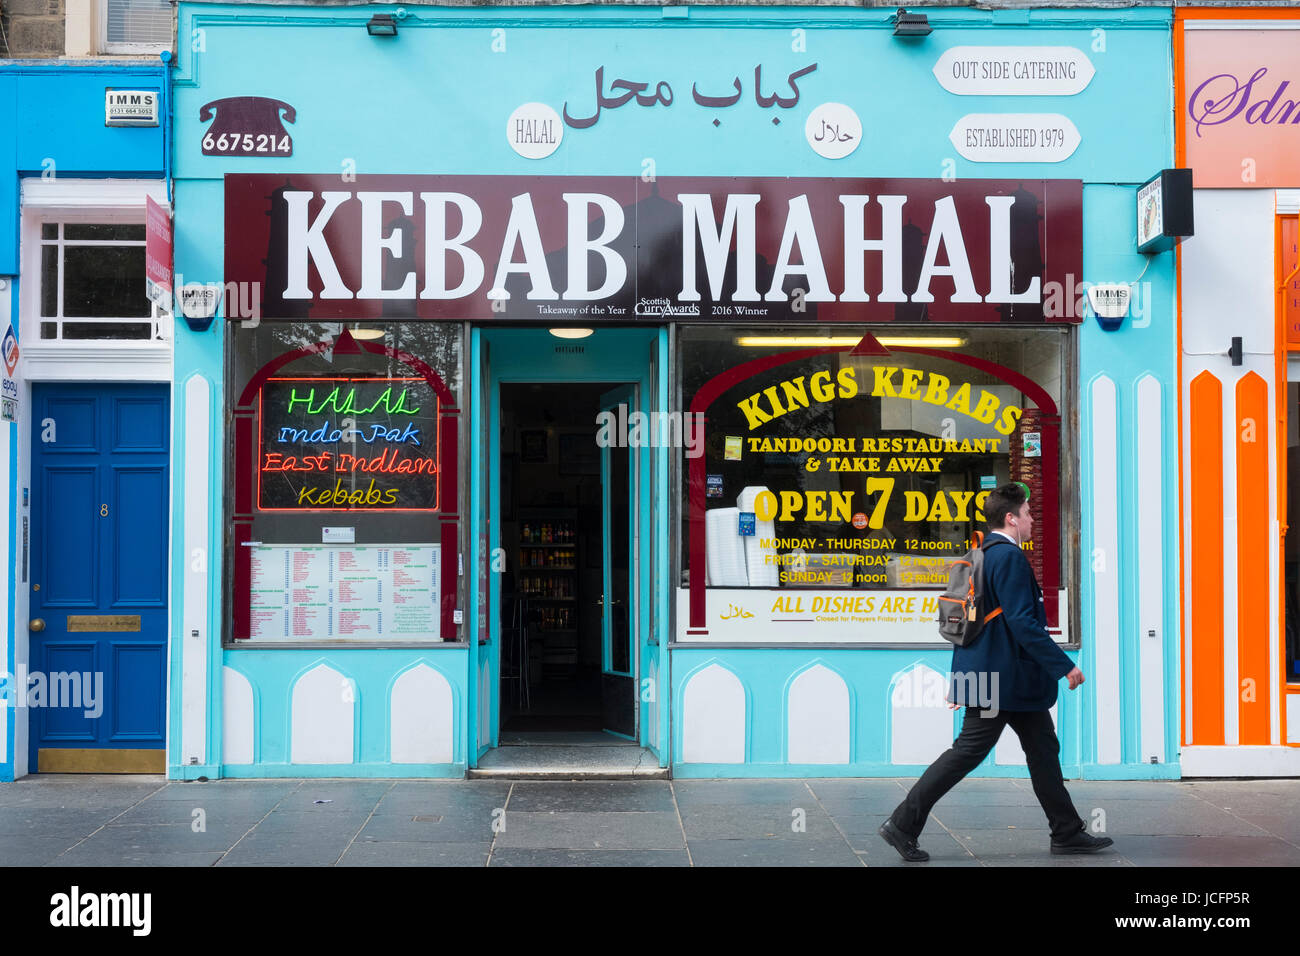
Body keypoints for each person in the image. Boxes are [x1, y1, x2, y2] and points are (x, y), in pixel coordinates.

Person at [878, 482, 1114, 861]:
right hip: (1002, 682)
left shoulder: (983, 554)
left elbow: (979, 626)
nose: (1033, 520)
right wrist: (1064, 665)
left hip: (1006, 679)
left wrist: (963, 680)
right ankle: (903, 823)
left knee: (1042, 749)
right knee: (967, 751)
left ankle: (1067, 831)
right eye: (1028, 513)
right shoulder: (1008, 558)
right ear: (1011, 518)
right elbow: (1022, 623)